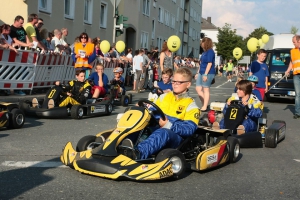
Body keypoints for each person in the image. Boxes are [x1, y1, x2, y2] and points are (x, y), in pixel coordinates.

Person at [121, 68, 200, 159]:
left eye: (179, 82)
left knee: (163, 132)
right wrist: (141, 107)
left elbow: (189, 129)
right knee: (138, 125)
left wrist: (168, 125)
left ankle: (138, 153)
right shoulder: (163, 97)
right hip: (157, 128)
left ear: (188, 84)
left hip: (176, 138)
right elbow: (152, 110)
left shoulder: (191, 105)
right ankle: (119, 145)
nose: (174, 85)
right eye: (173, 81)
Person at [195, 37, 215, 112]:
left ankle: (205, 105)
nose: (201, 45)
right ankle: (205, 104)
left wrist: (205, 74)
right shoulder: (204, 53)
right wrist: (198, 72)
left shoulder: (210, 52)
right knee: (198, 88)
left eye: (202, 43)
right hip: (201, 72)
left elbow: (209, 63)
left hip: (208, 73)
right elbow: (201, 63)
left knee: (206, 89)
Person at [285, 35, 300, 119]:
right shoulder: (292, 51)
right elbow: (292, 62)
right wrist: (288, 70)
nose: (293, 43)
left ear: (298, 41)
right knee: (298, 95)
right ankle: (297, 113)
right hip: (296, 75)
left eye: (294, 42)